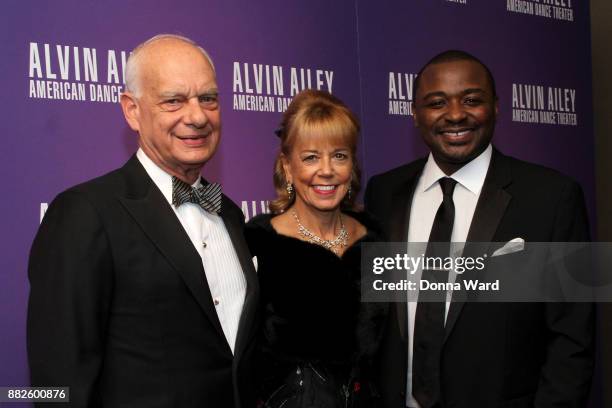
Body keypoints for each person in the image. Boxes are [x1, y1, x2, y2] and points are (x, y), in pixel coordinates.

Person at [27, 34, 258, 408]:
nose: (197, 116)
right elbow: (57, 382)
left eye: (208, 98)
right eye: (173, 101)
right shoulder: (84, 213)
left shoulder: (230, 213)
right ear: (132, 110)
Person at [364, 50, 594, 408]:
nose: (455, 114)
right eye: (436, 102)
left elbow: (574, 338)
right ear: (414, 114)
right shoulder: (383, 192)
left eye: (472, 100)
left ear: (497, 107)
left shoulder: (553, 196)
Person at [246, 89, 385, 408]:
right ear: (288, 166)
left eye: (339, 155)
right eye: (311, 157)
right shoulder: (259, 243)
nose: (327, 170)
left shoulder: (376, 240)